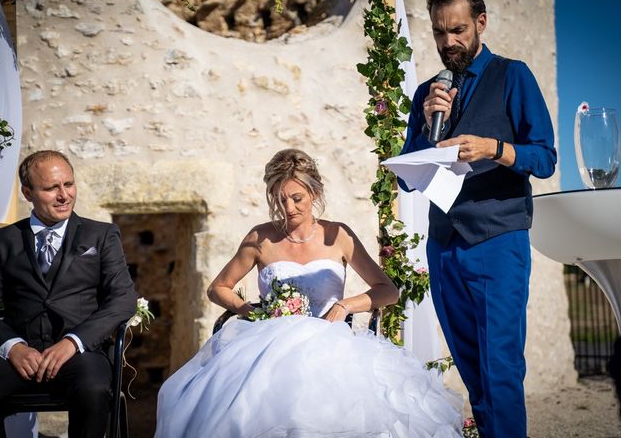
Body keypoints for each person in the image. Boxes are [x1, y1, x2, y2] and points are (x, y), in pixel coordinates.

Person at [155, 148, 463, 437]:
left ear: (314, 193)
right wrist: (249, 310)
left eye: (297, 198)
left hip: (331, 344)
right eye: (280, 200)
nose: (289, 208)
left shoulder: (338, 235)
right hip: (267, 346)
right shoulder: (261, 238)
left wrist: (346, 305)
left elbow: (388, 291)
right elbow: (217, 288)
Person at [397, 0, 557, 438]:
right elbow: (407, 178)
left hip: (497, 241)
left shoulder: (514, 75)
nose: (449, 42)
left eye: (459, 30)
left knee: (500, 368)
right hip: (444, 246)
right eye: (439, 33)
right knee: (472, 373)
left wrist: (494, 147)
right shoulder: (427, 92)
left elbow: (543, 158)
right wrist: (427, 124)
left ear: (480, 23)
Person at [0, 150, 138, 438]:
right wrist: (12, 346)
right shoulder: (3, 240)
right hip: (19, 357)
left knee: (94, 389)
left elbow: (123, 298)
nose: (64, 195)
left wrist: (73, 341)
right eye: (52, 187)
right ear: (28, 193)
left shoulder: (101, 235)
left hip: (80, 355)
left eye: (68, 184)